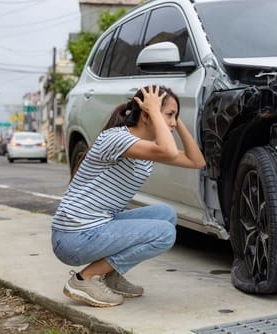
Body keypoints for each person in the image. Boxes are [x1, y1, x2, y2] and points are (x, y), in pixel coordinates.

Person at [51, 85, 206, 307]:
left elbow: (196, 161)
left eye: (175, 116)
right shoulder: (116, 138)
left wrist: (174, 119)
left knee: (165, 215)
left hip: (93, 228)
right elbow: (170, 151)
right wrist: (155, 110)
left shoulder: (146, 149)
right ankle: (84, 279)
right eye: (169, 115)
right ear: (145, 115)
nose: (172, 122)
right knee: (164, 233)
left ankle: (109, 275)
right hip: (72, 236)